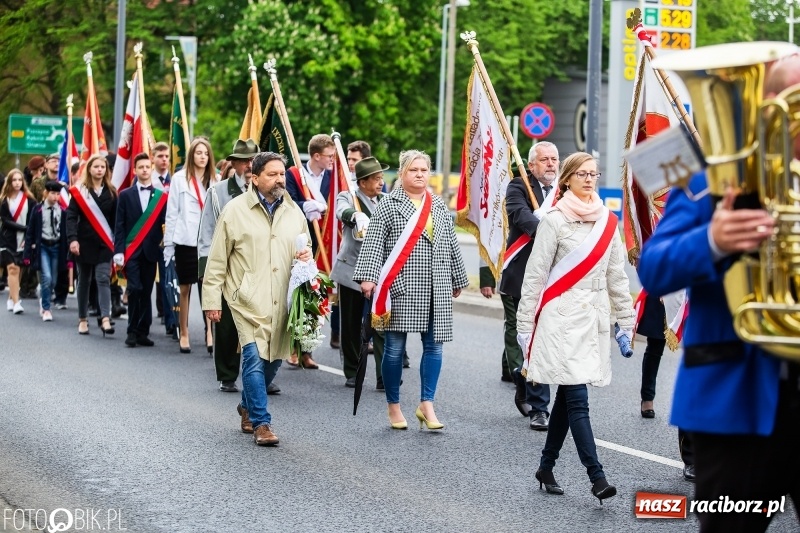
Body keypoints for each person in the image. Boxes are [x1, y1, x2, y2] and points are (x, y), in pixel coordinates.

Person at [638, 53, 800, 532]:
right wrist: (713, 240)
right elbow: (654, 269)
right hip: (733, 403)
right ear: (762, 104)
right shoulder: (708, 178)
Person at [516, 152, 634, 503]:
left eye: (593, 173)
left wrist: (625, 320)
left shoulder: (607, 223)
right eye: (581, 174)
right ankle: (597, 477)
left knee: (568, 400)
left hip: (592, 320)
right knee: (578, 398)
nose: (588, 179)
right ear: (566, 179)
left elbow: (617, 277)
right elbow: (535, 275)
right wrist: (525, 325)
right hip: (561, 319)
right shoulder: (554, 220)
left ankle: (545, 466)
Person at [354, 150, 469, 430]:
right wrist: (368, 277)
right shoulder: (389, 205)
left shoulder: (439, 205)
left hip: (436, 285)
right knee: (394, 349)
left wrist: (457, 277)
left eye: (424, 170)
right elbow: (374, 243)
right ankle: (393, 405)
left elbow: (451, 242)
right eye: (413, 170)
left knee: (434, 347)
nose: (420, 174)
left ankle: (426, 403)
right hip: (401, 286)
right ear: (402, 174)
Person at [203, 151, 310, 446]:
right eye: (272, 174)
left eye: (282, 174)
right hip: (246, 299)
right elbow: (217, 260)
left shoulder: (294, 212)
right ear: (255, 178)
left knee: (274, 357)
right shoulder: (235, 211)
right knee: (252, 357)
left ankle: (247, 406)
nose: (279, 179)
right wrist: (212, 300)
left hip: (282, 297)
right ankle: (262, 423)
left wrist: (305, 255)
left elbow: (306, 248)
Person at [198, 138, 279, 395]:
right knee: (227, 328)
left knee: (262, 326)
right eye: (242, 161)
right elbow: (207, 232)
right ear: (233, 164)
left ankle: (261, 376)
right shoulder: (218, 192)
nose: (247, 165)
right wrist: (207, 274)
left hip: (261, 267)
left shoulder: (268, 192)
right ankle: (227, 373)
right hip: (230, 268)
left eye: (251, 161)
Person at [500, 143, 557, 430]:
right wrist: (547, 228)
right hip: (522, 275)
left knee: (547, 339)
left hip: (556, 275)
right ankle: (540, 408)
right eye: (544, 159)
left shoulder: (565, 191)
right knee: (532, 338)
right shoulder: (518, 186)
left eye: (554, 159)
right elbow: (521, 217)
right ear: (532, 165)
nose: (550, 164)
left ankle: (524, 377)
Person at [331, 156, 388, 388]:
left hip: (381, 270)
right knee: (352, 324)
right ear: (363, 182)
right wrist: (355, 215)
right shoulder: (349, 197)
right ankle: (353, 371)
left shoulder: (386, 200)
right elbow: (341, 211)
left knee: (383, 323)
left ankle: (384, 374)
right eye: (376, 179)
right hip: (352, 269)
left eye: (381, 178)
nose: (381, 182)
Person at [164, 137, 217, 354]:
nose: (202, 157)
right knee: (185, 288)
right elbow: (173, 212)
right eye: (198, 153)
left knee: (208, 288)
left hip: (209, 242)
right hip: (186, 240)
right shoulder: (179, 179)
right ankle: (184, 331)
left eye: (205, 153)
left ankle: (209, 332)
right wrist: (169, 244)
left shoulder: (216, 179)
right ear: (191, 155)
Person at [285, 133, 336, 363]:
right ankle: (291, 347)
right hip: (299, 242)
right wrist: (305, 205)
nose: (332, 160)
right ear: (316, 156)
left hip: (323, 244)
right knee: (296, 295)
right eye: (329, 156)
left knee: (316, 295)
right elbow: (287, 202)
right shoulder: (294, 175)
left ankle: (307, 349)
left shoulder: (333, 178)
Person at [113, 153, 168, 348]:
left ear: (151, 169)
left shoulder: (161, 198)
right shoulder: (125, 195)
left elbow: (165, 225)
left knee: (146, 292)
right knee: (135, 289)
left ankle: (143, 331)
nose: (144, 170)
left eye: (147, 167)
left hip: (151, 252)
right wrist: (118, 251)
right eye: (141, 167)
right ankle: (131, 330)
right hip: (131, 252)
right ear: (135, 170)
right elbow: (119, 226)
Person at [66, 154, 118, 336]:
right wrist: (72, 239)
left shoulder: (112, 192)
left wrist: (117, 246)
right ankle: (82, 319)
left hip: (105, 244)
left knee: (103, 277)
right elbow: (71, 217)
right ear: (89, 169)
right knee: (84, 281)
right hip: (84, 243)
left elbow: (115, 221)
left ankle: (105, 317)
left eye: (102, 167)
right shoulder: (80, 192)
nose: (99, 170)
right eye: (96, 167)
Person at [23, 180, 68, 321]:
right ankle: (47, 308)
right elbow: (30, 232)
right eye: (52, 193)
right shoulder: (38, 210)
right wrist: (27, 254)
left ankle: (44, 295)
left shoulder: (63, 211)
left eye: (58, 194)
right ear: (46, 193)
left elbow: (65, 233)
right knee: (46, 277)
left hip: (56, 247)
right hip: (42, 246)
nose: (55, 197)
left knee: (53, 280)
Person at [149, 142, 177, 338]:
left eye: (167, 156)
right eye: (160, 156)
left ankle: (171, 320)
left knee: (169, 280)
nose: (164, 159)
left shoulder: (176, 181)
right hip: (149, 237)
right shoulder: (147, 181)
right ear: (153, 158)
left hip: (170, 238)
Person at [0, 169, 36, 314]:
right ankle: (16, 303)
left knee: (19, 269)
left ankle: (11, 297)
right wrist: (24, 228)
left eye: (19, 180)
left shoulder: (29, 199)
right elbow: (6, 220)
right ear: (9, 182)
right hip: (7, 239)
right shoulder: (3, 199)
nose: (17, 183)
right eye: (14, 180)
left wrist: (29, 234)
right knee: (12, 269)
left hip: (24, 239)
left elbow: (32, 219)